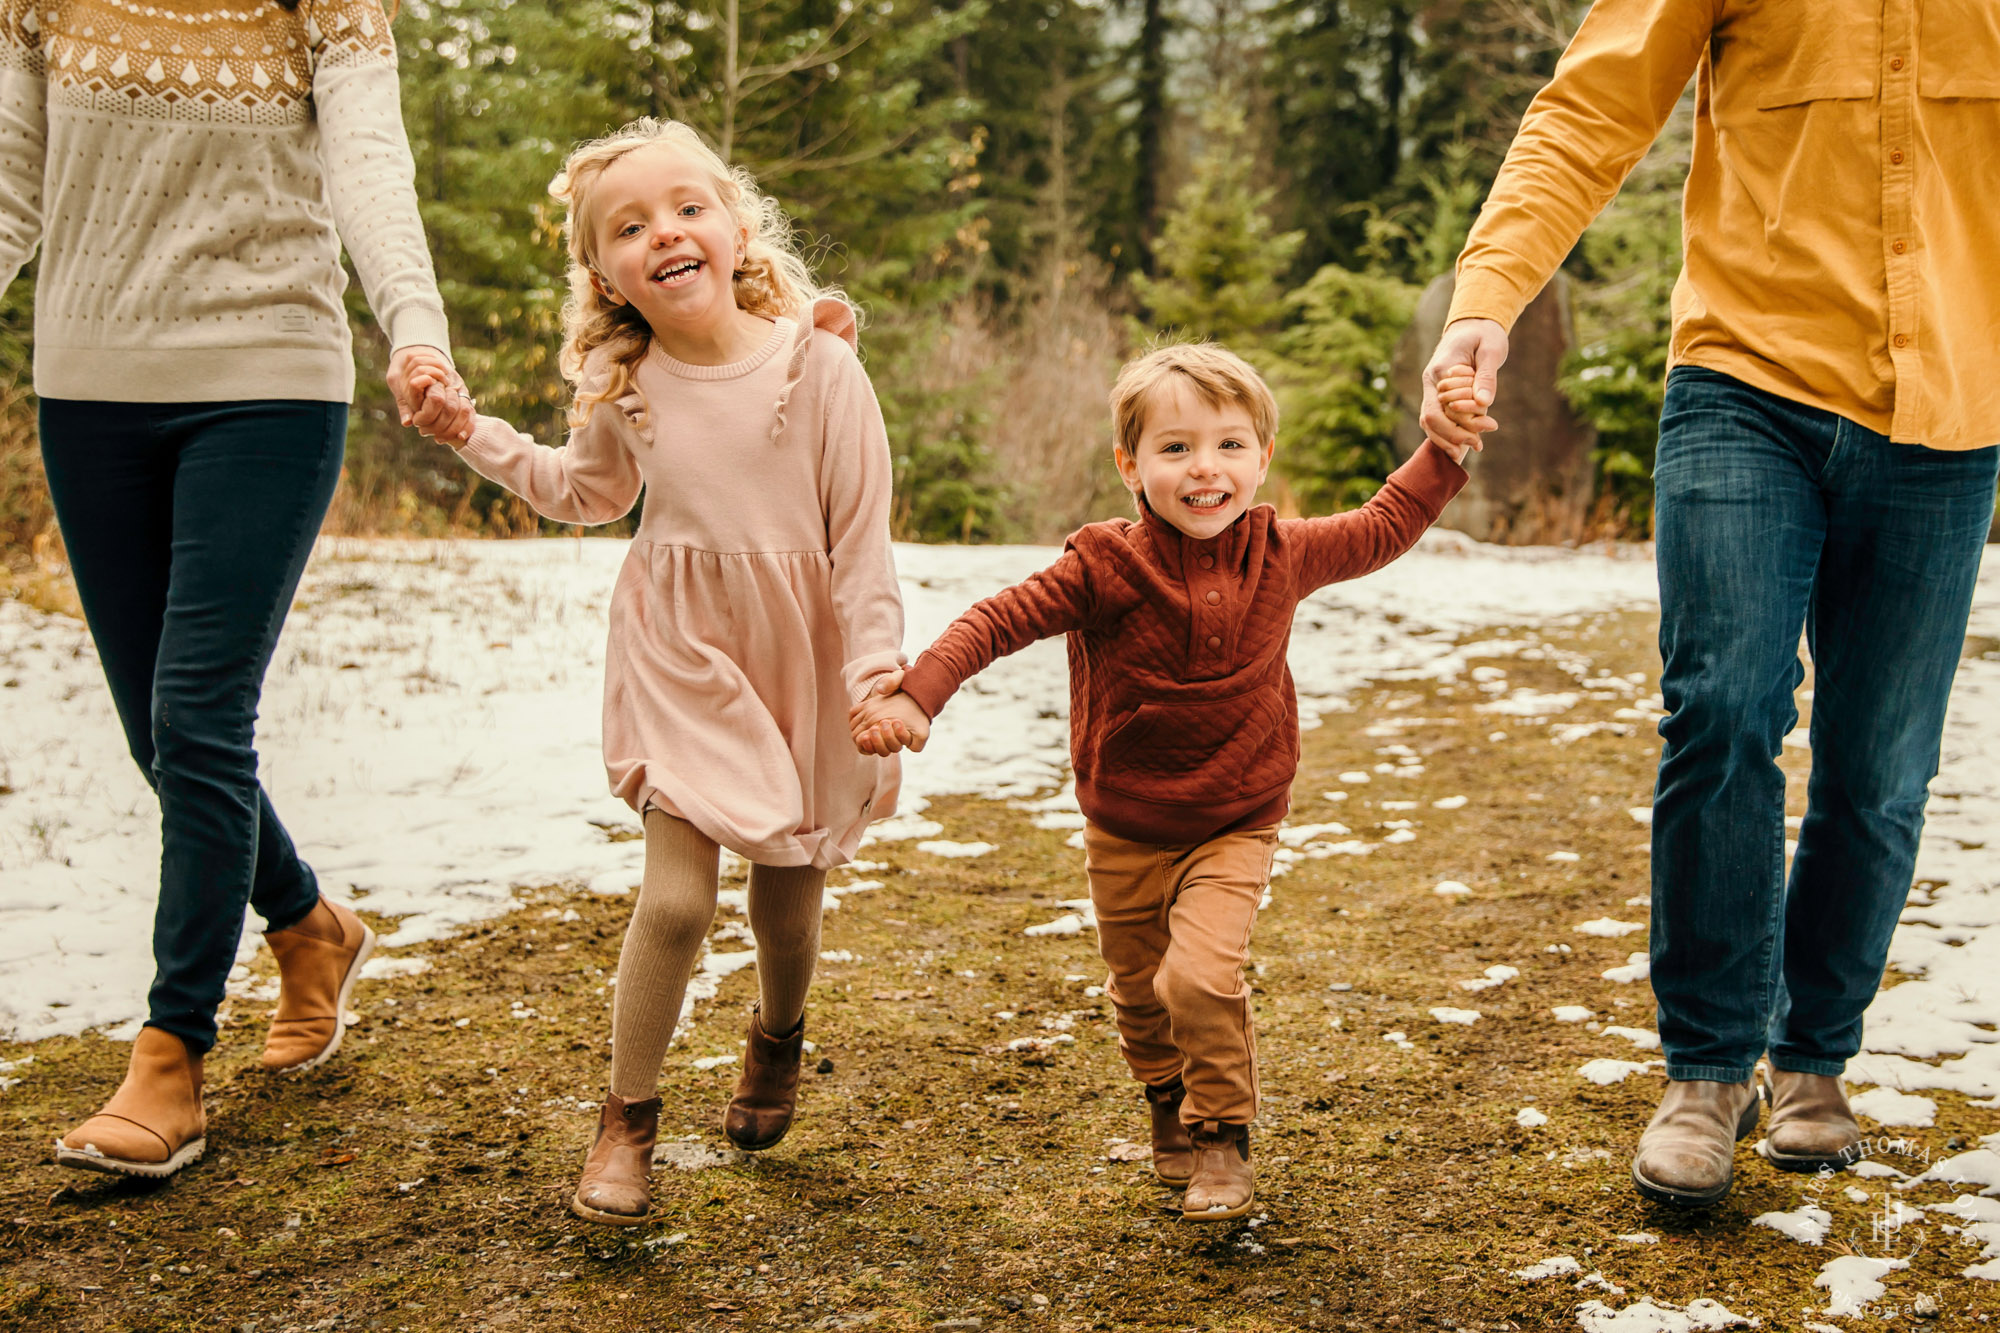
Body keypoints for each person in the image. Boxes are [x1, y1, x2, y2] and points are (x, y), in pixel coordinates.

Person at [1419, 0, 2000, 1207]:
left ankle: (1812, 1057)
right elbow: (1589, 107)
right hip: (1746, 380)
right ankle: (1705, 1067)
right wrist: (1488, 295)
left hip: (1947, 406)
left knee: (1880, 764)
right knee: (1722, 710)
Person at [0, 0, 472, 1180]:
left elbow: (368, 168)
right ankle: (311, 926)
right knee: (158, 734)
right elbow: (11, 181)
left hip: (268, 378)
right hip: (89, 384)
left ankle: (170, 1054)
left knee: (198, 714)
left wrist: (414, 328)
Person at [411, 118, 905, 1227]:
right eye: (628, 228)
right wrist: (467, 432)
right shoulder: (624, 377)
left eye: (687, 208)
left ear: (735, 228)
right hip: (680, 650)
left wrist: (877, 677)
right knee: (676, 901)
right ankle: (626, 1116)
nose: (664, 234)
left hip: (807, 656)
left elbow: (863, 545)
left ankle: (777, 1033)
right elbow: (580, 492)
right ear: (604, 272)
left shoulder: (820, 368)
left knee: (787, 899)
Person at [851, 342, 1468, 1221]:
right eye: (1175, 448)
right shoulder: (1104, 566)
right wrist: (919, 696)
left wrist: (1443, 449)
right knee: (1141, 994)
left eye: (1229, 444)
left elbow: (1383, 524)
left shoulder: (1283, 553)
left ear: (1262, 458)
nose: (1204, 468)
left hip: (1237, 816)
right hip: (1126, 823)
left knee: (1198, 978)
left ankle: (1223, 1135)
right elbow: (997, 621)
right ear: (1129, 464)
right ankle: (1166, 1103)